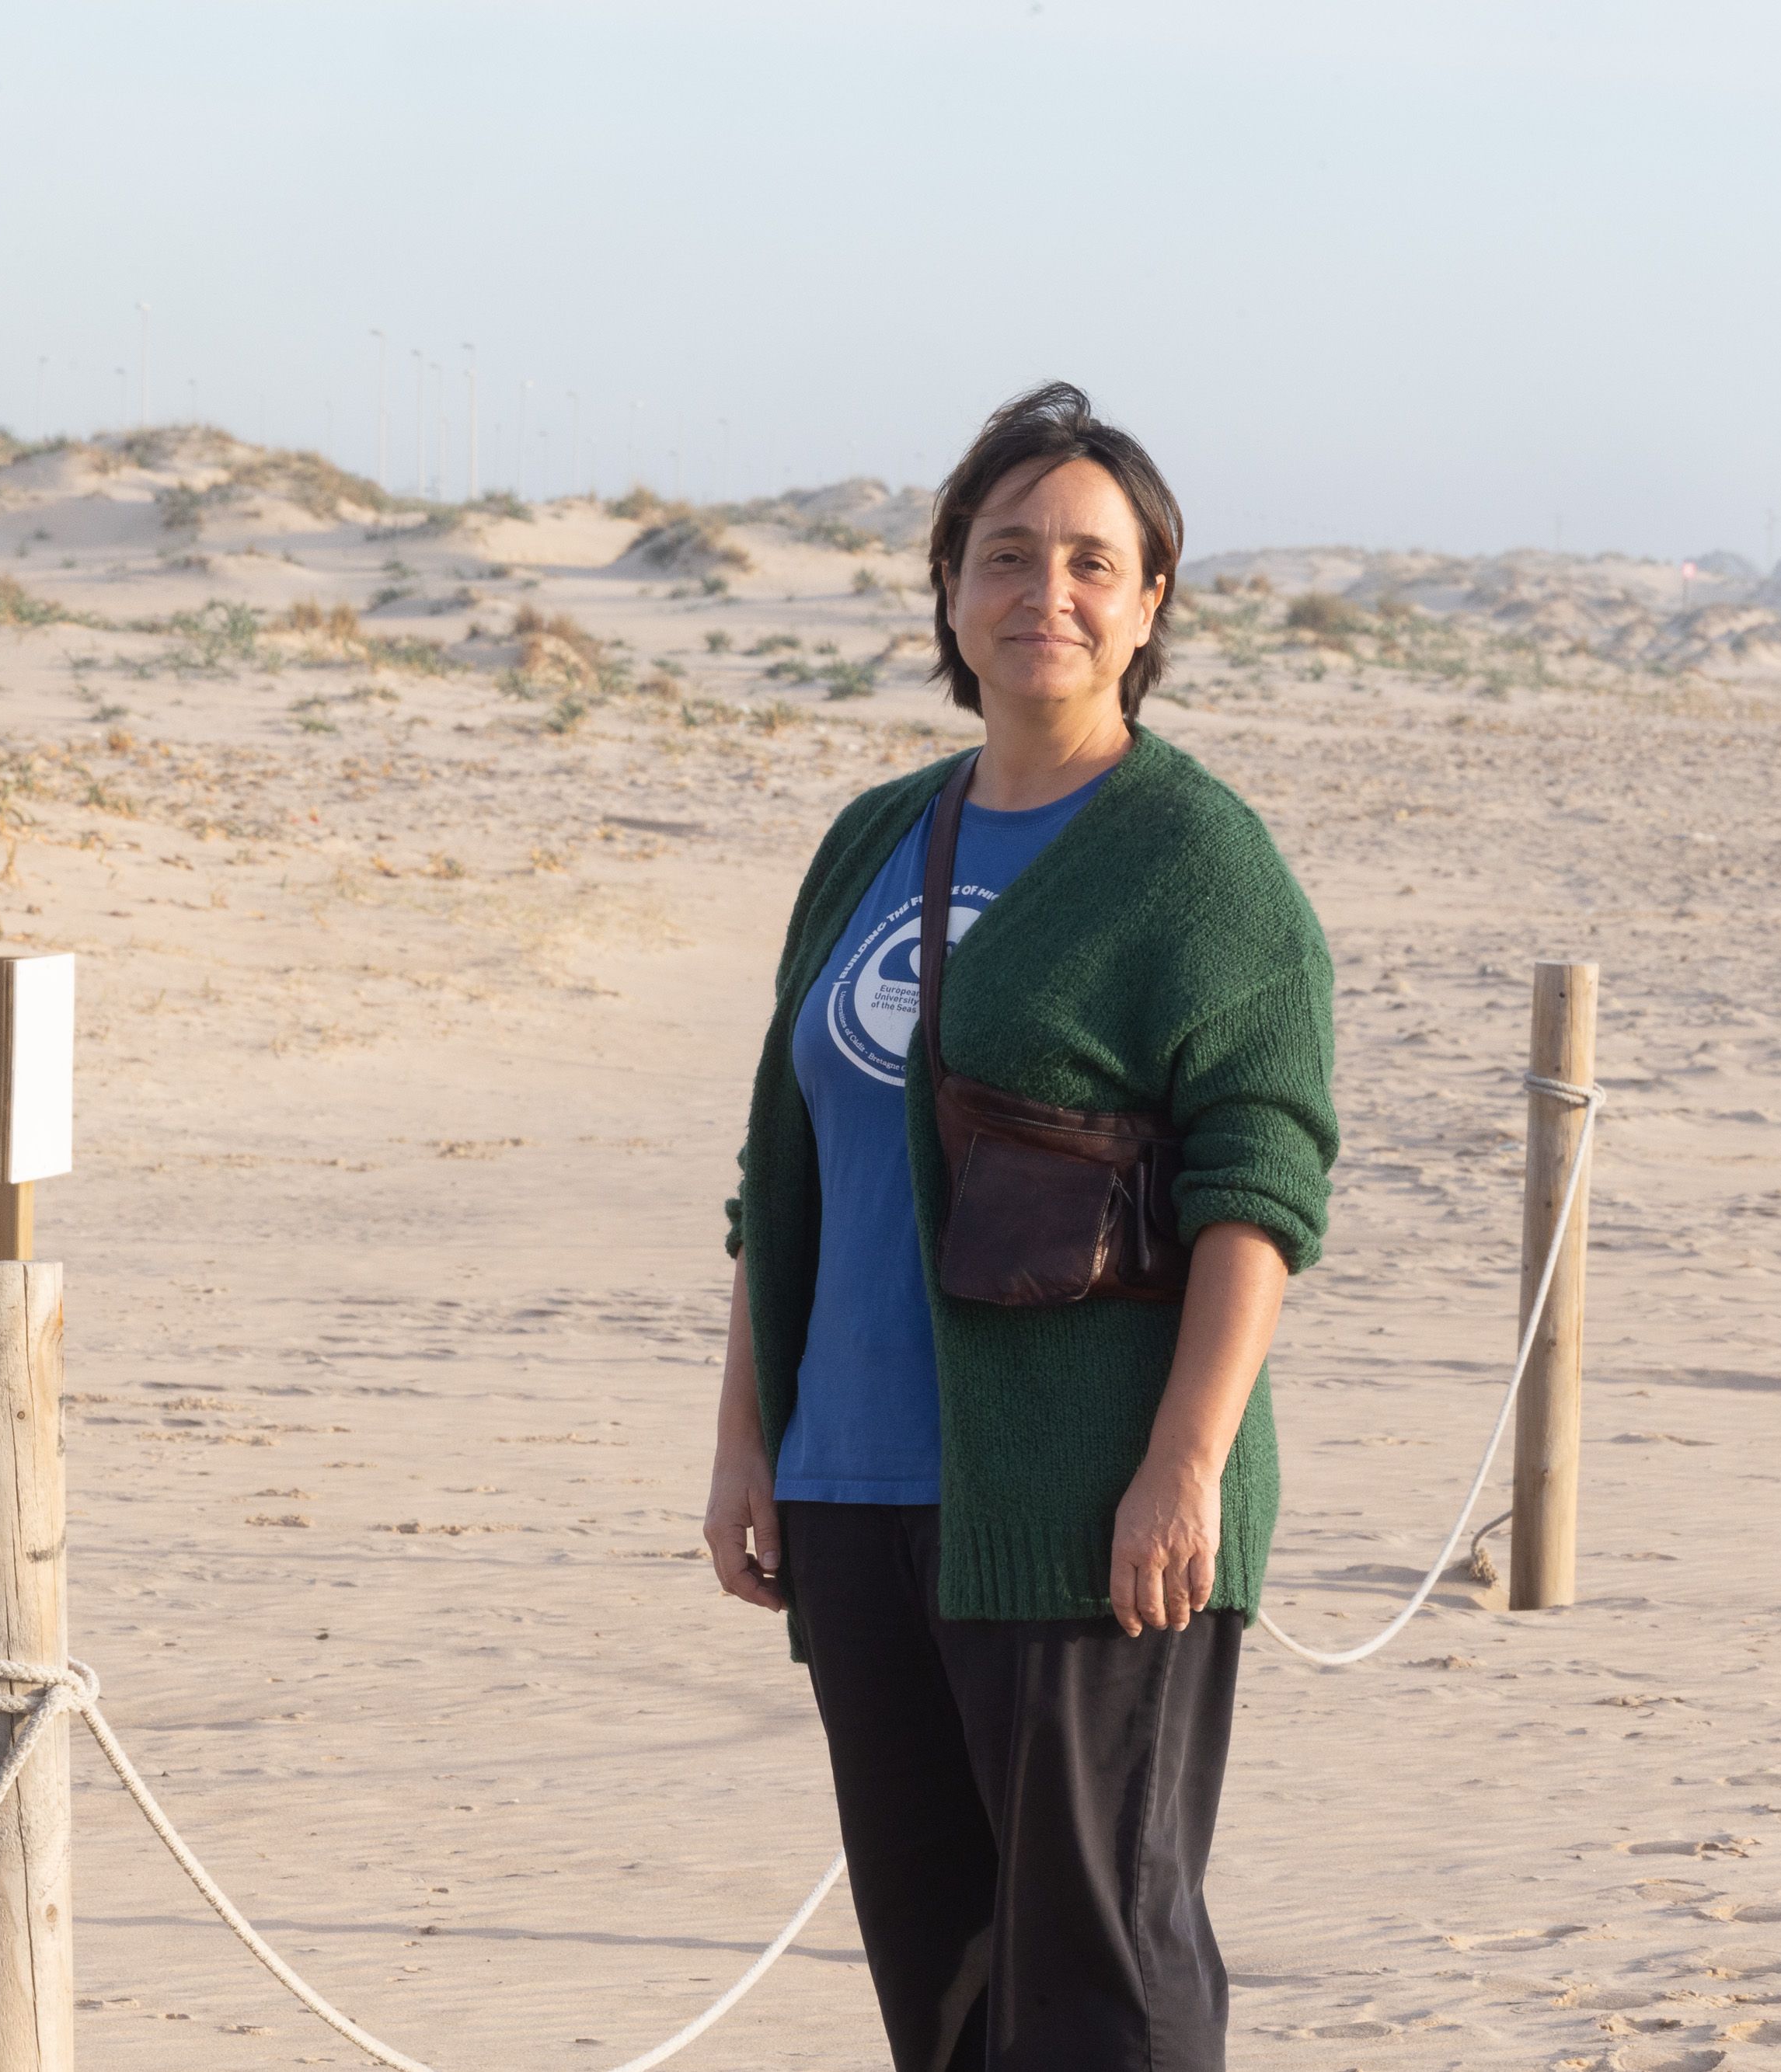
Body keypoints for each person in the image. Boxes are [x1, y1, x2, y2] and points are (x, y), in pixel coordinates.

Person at [703, 381, 1337, 2071]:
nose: (1040, 592)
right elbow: (787, 1171)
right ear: (947, 590)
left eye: (1086, 562)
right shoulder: (871, 838)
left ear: (1146, 607)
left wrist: (1183, 1464)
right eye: (1003, 555)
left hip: (1083, 1505)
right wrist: (745, 1434)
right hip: (851, 1492)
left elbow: (1255, 1188)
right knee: (947, 1974)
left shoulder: (1192, 862)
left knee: (1100, 1978)